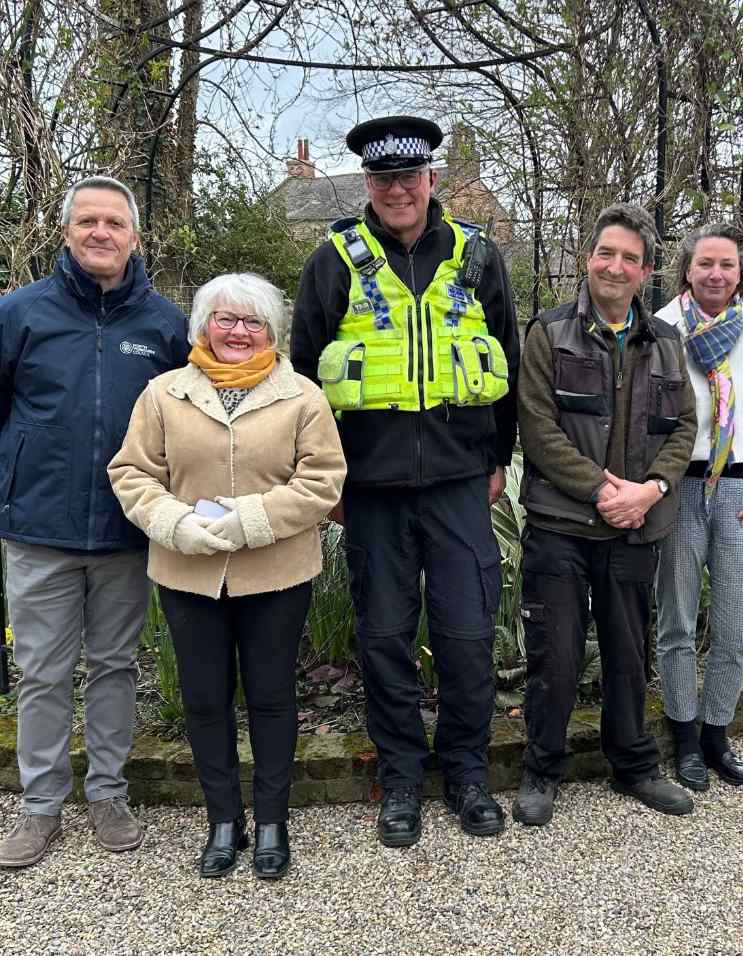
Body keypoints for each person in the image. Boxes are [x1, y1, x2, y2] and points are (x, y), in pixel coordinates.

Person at [288, 115, 520, 848]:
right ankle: (402, 779)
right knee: (384, 636)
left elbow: (506, 359)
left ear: (431, 181)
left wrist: (497, 460)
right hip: (372, 487)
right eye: (385, 180)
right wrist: (323, 478)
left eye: (410, 178)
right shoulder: (333, 260)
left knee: (467, 632)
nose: (398, 191)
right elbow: (302, 375)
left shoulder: (479, 258)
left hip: (458, 480)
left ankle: (467, 774)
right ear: (368, 184)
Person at [0, 176, 190, 869]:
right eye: (86, 220)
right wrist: (36, 453)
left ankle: (109, 795)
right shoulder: (17, 314)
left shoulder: (164, 324)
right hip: (40, 524)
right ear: (64, 232)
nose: (100, 232)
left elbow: (185, 414)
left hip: (126, 527)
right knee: (41, 670)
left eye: (114, 223)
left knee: (116, 665)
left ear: (135, 237)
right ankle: (39, 808)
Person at [109, 273, 344, 880]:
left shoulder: (302, 396)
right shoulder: (163, 394)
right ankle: (222, 819)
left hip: (277, 573)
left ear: (272, 331)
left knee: (271, 697)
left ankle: (271, 819)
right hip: (188, 573)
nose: (239, 332)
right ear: (202, 326)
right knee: (205, 699)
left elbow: (322, 482)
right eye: (226, 319)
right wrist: (171, 522)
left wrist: (252, 520)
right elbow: (132, 472)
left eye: (253, 322)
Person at [511, 202, 698, 826]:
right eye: (606, 253)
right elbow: (536, 427)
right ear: (588, 259)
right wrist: (600, 489)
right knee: (556, 656)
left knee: (628, 653)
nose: (615, 267)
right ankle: (542, 767)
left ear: (645, 272)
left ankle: (635, 764)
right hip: (561, 525)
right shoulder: (550, 332)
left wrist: (649, 491)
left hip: (636, 526)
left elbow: (686, 428)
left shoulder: (668, 344)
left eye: (630, 259)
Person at [652, 224, 743, 792]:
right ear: (687, 269)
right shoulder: (661, 331)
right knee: (677, 620)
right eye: (705, 263)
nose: (716, 274)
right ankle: (685, 736)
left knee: (737, 623)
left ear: (740, 273)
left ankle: (717, 734)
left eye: (727, 265)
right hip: (679, 488)